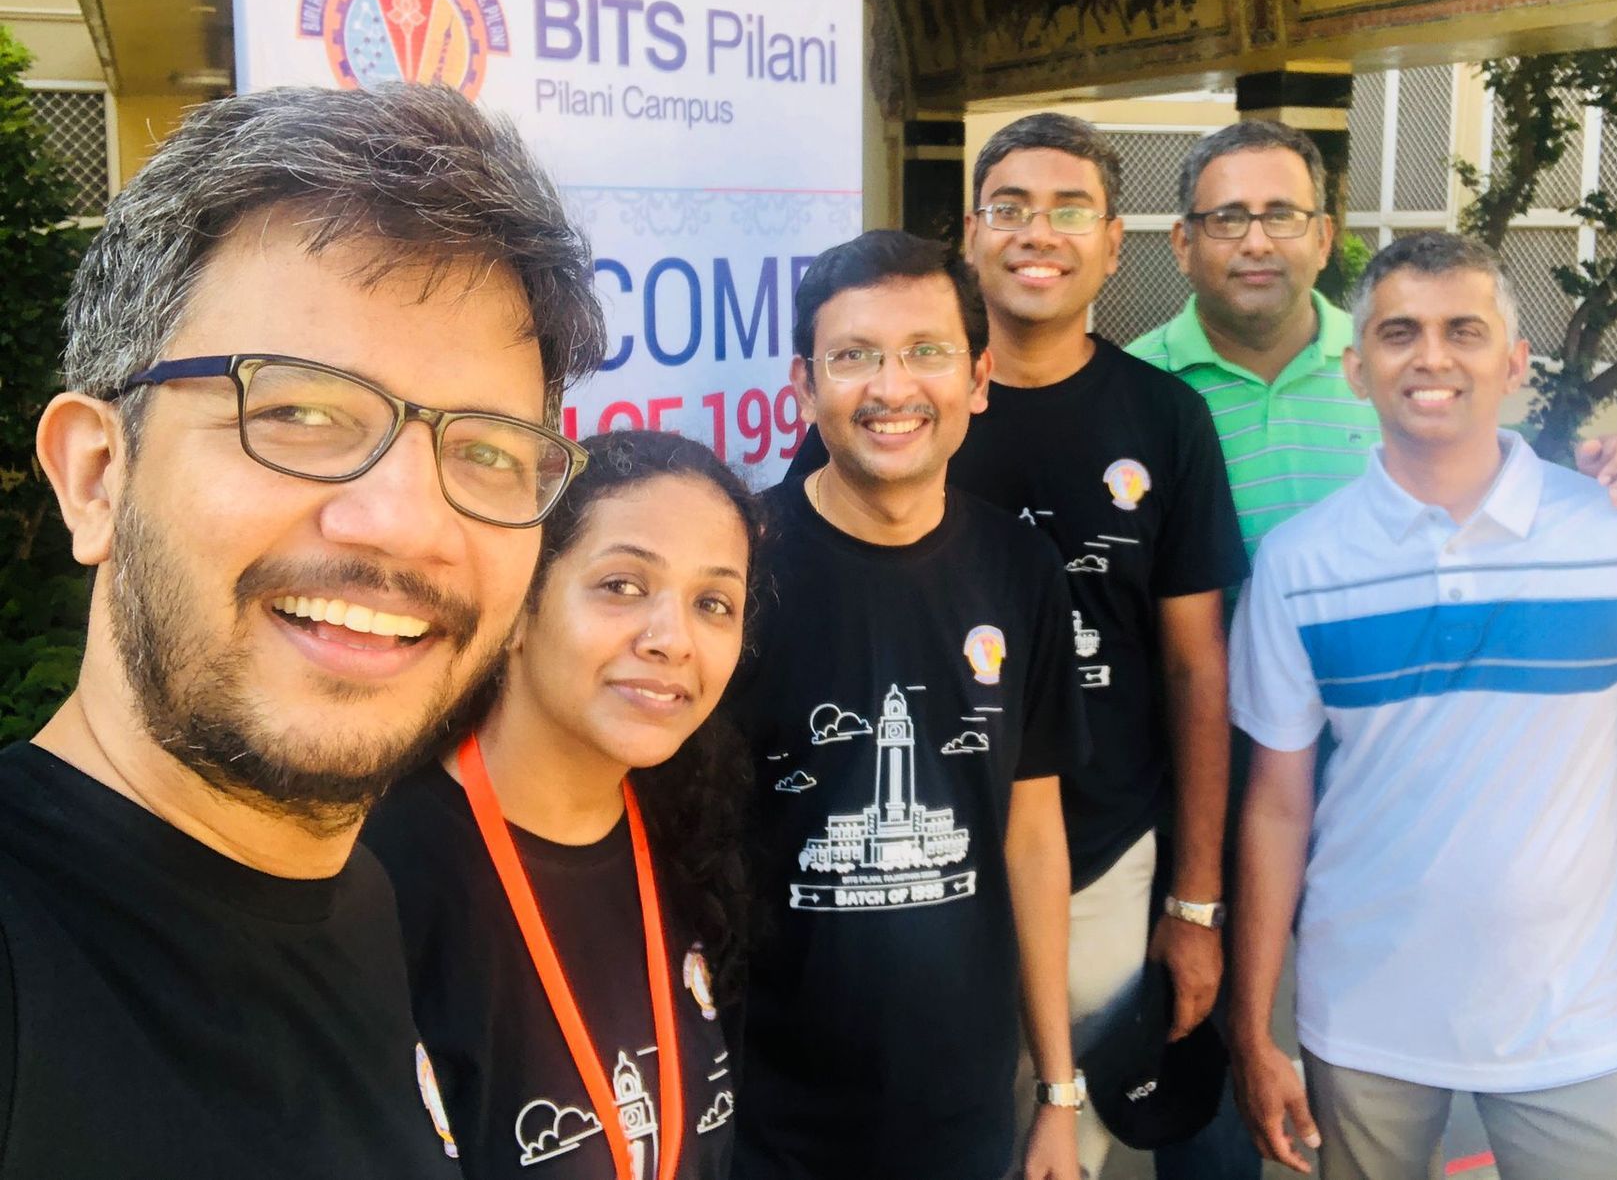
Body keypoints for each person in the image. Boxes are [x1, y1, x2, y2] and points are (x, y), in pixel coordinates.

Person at [5, 84, 605, 1177]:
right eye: (298, 412)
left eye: (486, 451)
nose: (406, 523)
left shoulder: (361, 894)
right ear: (95, 475)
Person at [1126, 118, 1617, 1180]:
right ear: (1181, 242)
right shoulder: (1136, 388)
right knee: (1213, 1069)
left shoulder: (1398, 351)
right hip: (1205, 766)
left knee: (1376, 1039)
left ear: (1324, 234)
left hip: (1392, 765)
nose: (1256, 239)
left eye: (1281, 213)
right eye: (1226, 216)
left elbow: (1491, 483)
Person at [1228, 232, 1617, 1180]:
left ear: (1514, 364)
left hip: (1573, 1022)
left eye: (1463, 331)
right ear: (1356, 369)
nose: (1431, 357)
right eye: (1399, 333)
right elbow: (1276, 807)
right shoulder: (1300, 564)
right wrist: (1253, 1027)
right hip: (1361, 1021)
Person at [788, 114, 1246, 1176]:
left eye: (1069, 209)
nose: (1039, 233)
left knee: (1060, 1134)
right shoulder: (882, 423)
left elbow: (1195, 666)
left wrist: (1194, 899)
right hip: (904, 877)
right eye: (1010, 207)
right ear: (972, 232)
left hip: (1092, 858)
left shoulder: (1165, 417)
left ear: (1115, 241)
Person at [730, 231, 1085, 1180]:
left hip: (963, 1110)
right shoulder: (735, 566)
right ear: (803, 387)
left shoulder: (1022, 569)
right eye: (854, 357)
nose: (892, 389)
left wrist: (1057, 1089)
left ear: (978, 378)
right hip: (760, 1117)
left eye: (926, 352)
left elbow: (1032, 836)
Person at [364, 430, 759, 1179]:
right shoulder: (382, 874)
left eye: (714, 603)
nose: (673, 640)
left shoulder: (690, 842)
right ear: (520, 606)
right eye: (623, 585)